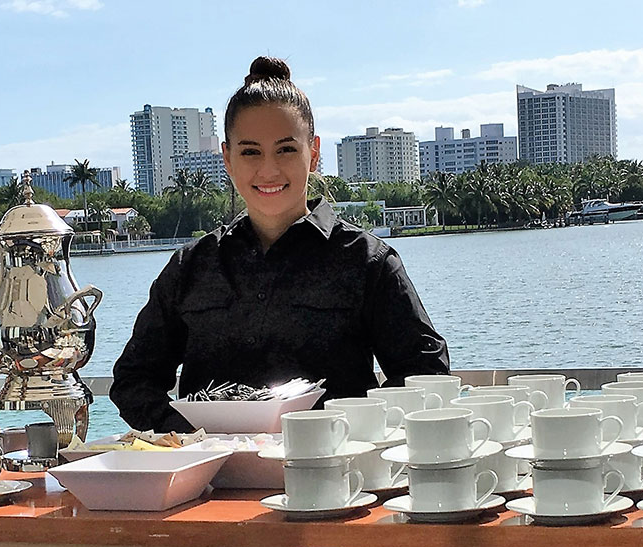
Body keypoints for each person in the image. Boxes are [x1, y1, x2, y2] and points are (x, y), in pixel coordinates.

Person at [111, 56, 451, 432]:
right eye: (250, 151)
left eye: (286, 149)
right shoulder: (190, 267)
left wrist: (356, 430)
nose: (269, 170)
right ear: (227, 158)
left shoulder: (367, 262)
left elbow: (425, 374)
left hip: (335, 478)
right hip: (210, 481)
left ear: (314, 153)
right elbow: (133, 381)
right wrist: (191, 436)